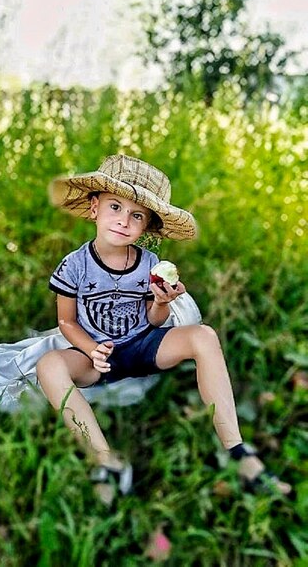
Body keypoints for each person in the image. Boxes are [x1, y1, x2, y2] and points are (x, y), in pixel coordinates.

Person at [36, 154, 291, 504]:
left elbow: (153, 320)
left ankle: (237, 452)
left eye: (136, 215)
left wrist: (161, 302)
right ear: (94, 208)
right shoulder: (75, 264)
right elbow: (66, 320)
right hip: (97, 356)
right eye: (115, 207)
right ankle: (106, 461)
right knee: (49, 365)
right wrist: (90, 349)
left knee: (204, 335)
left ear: (146, 227)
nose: (124, 221)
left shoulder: (149, 264)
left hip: (143, 345)